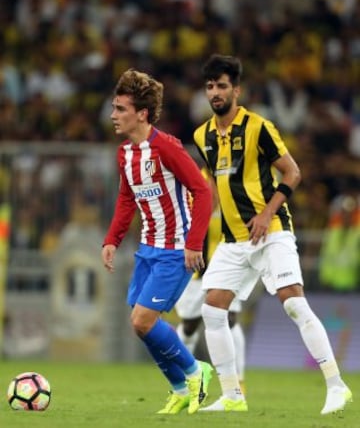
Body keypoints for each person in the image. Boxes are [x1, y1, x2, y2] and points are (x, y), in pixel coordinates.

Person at [193, 54, 352, 414]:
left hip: (271, 231)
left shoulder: (258, 127)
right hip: (234, 240)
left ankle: (336, 385)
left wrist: (266, 213)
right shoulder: (202, 136)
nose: (215, 92)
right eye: (209, 86)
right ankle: (232, 396)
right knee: (213, 310)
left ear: (237, 89)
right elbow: (217, 188)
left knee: (294, 303)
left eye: (221, 85)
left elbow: (292, 173)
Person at [101, 69, 213, 415]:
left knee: (141, 321)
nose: (113, 115)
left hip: (176, 249)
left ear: (142, 114)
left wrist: (194, 244)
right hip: (147, 248)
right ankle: (180, 389)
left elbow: (202, 191)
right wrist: (112, 240)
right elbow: (126, 199)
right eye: (114, 108)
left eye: (120, 109)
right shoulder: (125, 154)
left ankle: (197, 372)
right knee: (141, 325)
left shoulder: (167, 148)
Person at [175, 167, 246, 392]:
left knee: (230, 318)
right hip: (196, 271)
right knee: (189, 325)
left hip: (226, 266)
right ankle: (184, 377)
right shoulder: (196, 179)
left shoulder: (237, 179)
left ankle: (238, 382)